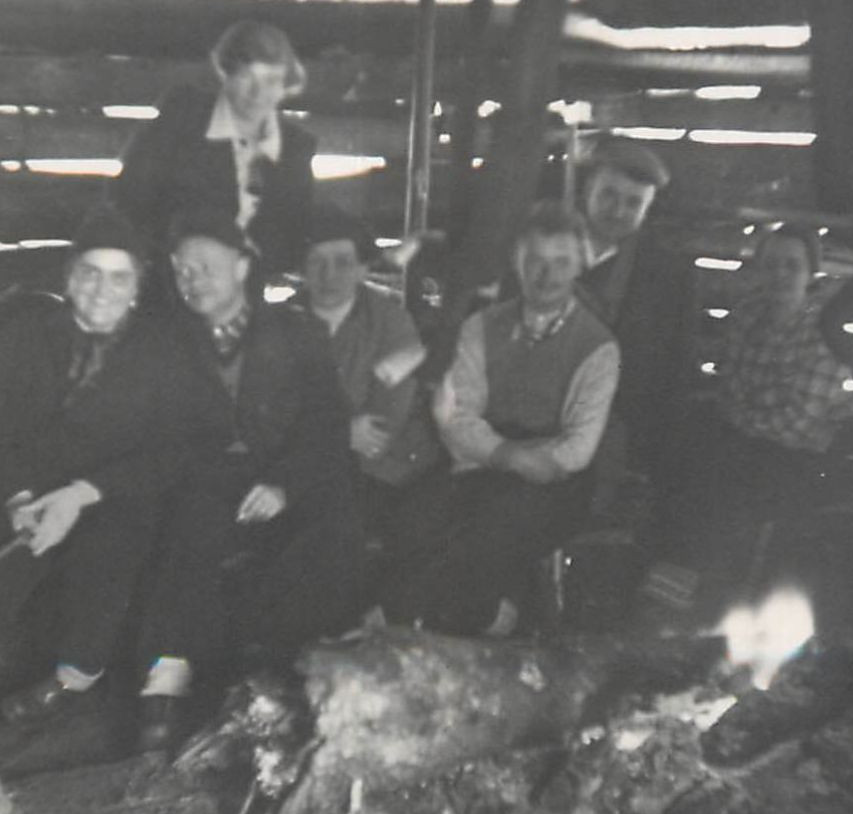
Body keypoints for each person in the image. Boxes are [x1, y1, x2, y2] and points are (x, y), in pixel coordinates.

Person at [0, 207, 185, 727]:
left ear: (138, 284)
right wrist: (20, 498)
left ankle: (73, 677)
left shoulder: (162, 351)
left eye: (119, 277)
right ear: (69, 277)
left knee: (108, 559)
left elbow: (168, 452)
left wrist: (81, 496)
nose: (102, 289)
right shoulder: (26, 334)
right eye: (89, 273)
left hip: (110, 493)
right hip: (27, 487)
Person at [133, 209, 360, 751]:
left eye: (206, 268)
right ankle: (166, 680)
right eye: (182, 271)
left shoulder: (296, 332)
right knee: (189, 528)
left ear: (242, 266)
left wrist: (285, 484)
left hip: (289, 474)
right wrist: (210, 480)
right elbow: (158, 437)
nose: (192, 282)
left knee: (331, 529)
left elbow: (327, 425)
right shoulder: (164, 340)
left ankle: (284, 673)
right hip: (205, 480)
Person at [380, 202, 621, 637]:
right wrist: (505, 453)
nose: (546, 276)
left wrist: (512, 457)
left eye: (560, 262)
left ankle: (489, 631)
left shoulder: (598, 346)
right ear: (517, 261)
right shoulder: (480, 327)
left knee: (494, 528)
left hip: (557, 478)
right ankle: (404, 634)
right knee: (415, 519)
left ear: (580, 264)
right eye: (535, 261)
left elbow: (578, 447)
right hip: (485, 460)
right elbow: (456, 416)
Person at [674, 225, 853, 605]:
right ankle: (689, 593)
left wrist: (742, 418)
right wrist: (743, 418)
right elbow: (729, 388)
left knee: (731, 488)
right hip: (753, 445)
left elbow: (796, 424)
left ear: (810, 273)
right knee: (690, 470)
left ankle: (728, 598)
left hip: (812, 456)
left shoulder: (826, 330)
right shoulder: (747, 316)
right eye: (771, 265)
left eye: (792, 266)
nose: (780, 275)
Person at [111, 20, 316, 287]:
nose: (257, 93)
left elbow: (292, 238)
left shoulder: (294, 148)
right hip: (169, 288)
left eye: (271, 80)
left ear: (287, 84)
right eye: (246, 76)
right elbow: (126, 203)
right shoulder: (181, 119)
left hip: (244, 299)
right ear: (224, 72)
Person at [296, 206, 432, 538]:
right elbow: (264, 413)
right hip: (299, 467)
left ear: (362, 269)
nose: (328, 275)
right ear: (302, 269)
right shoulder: (278, 322)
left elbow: (380, 428)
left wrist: (310, 436)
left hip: (378, 472)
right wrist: (340, 433)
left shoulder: (390, 323)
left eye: (342, 263)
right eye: (317, 262)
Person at [570, 139, 695, 498]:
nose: (618, 210)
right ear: (587, 189)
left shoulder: (670, 276)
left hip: (617, 437)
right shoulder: (543, 250)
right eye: (608, 194)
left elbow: (676, 370)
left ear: (648, 208)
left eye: (633, 203)